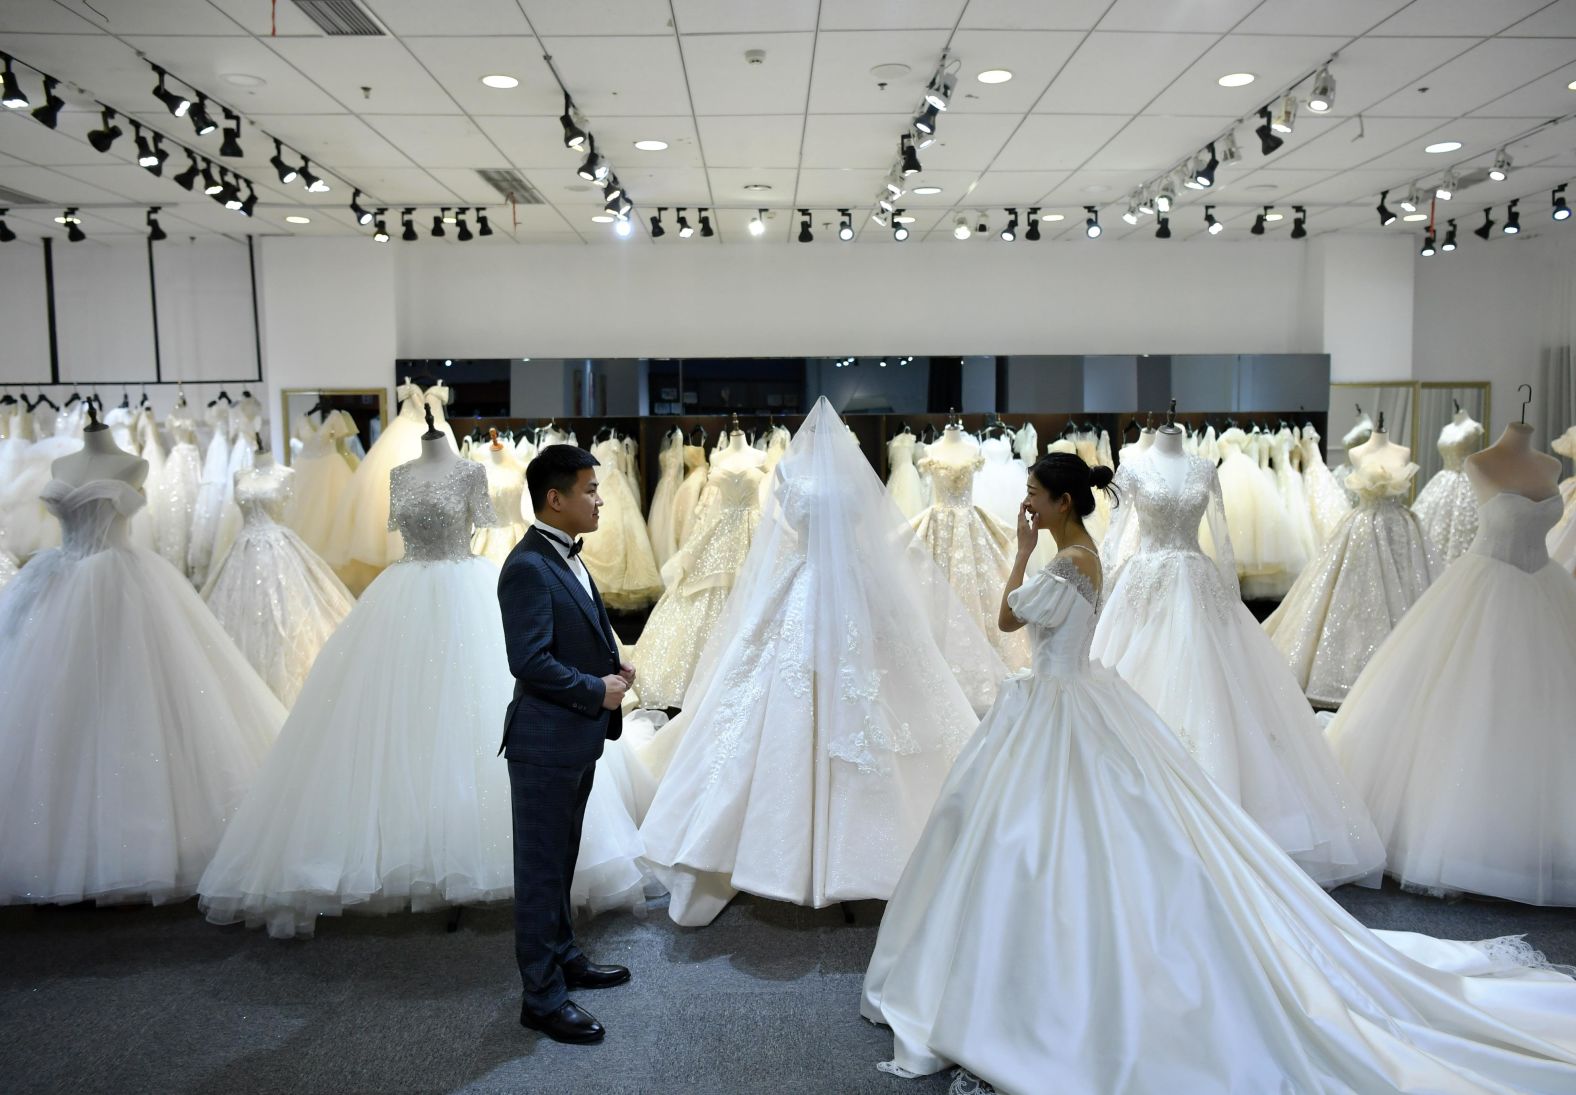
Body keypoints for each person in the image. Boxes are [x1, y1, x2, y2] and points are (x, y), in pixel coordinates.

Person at [861, 454, 1576, 1093]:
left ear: (1063, 503)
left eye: (1033, 494)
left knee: (1043, 844)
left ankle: (1036, 986)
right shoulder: (1081, 554)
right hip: (1073, 699)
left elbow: (1009, 621)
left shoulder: (1067, 561)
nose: (1026, 503)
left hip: (1057, 704)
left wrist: (1019, 554)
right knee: (1059, 837)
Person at [498, 444, 635, 1045]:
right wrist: (595, 688)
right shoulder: (527, 565)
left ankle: (564, 956)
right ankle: (541, 997)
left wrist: (614, 665)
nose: (600, 499)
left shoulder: (566, 556)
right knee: (539, 870)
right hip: (544, 741)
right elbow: (526, 661)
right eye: (589, 490)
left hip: (573, 738)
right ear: (555, 499)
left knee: (561, 862)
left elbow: (576, 630)